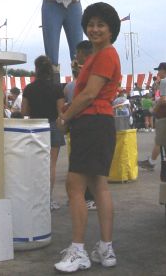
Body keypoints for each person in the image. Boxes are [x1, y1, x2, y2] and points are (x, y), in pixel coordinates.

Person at [54, 2, 121, 272]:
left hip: (92, 123)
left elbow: (90, 93)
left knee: (74, 187)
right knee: (99, 186)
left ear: (111, 29)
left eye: (100, 25)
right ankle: (105, 248)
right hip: (100, 124)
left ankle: (79, 251)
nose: (94, 29)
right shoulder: (98, 55)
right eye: (91, 24)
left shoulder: (105, 55)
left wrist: (65, 117)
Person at [21, 55, 65, 210]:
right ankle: (48, 199)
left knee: (36, 163)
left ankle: (35, 198)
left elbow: (24, 111)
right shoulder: (56, 88)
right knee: (51, 165)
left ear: (36, 69)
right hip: (52, 126)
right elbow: (61, 111)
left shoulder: (29, 88)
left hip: (34, 126)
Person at [64, 40, 97, 211]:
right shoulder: (96, 75)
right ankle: (88, 198)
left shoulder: (75, 84)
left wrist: (65, 117)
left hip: (82, 124)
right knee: (91, 169)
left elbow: (84, 98)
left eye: (77, 54)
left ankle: (82, 198)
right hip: (93, 125)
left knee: (79, 167)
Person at [139, 62, 166, 171]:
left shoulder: (164, 82)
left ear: (163, 70)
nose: (158, 73)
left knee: (160, 140)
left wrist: (155, 109)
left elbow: (164, 99)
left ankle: (152, 162)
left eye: (159, 70)